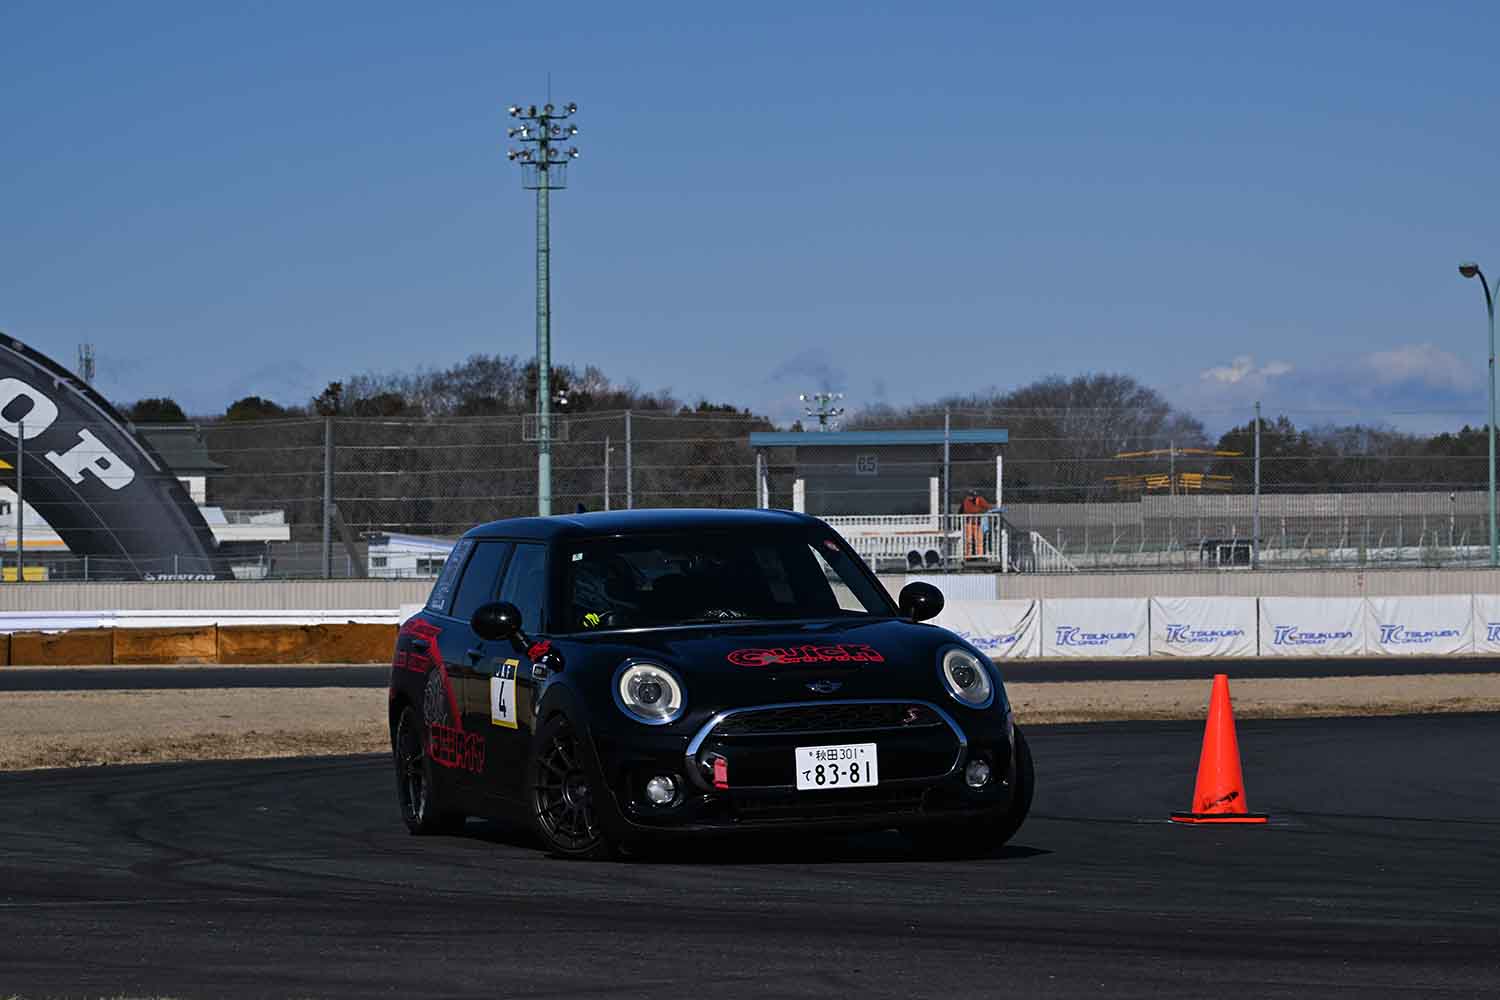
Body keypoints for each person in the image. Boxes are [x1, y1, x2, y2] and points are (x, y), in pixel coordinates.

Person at [960, 489, 992, 557]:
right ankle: (968, 556)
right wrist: (978, 510)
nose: (971, 497)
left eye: (973, 495)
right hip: (969, 523)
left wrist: (980, 510)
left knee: (979, 540)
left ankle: (979, 556)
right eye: (970, 495)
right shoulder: (966, 501)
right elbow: (968, 510)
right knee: (968, 540)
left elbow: (988, 508)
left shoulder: (979, 499)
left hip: (978, 523)